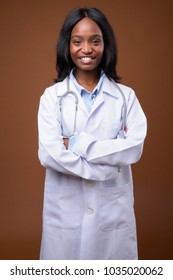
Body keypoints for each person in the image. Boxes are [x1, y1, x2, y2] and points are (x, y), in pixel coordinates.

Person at [38, 7, 147, 260]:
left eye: (95, 41)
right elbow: (49, 154)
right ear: (67, 45)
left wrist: (77, 143)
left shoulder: (125, 97)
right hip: (65, 216)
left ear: (105, 45)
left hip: (112, 216)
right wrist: (106, 167)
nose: (86, 49)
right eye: (77, 42)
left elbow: (133, 147)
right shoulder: (52, 98)